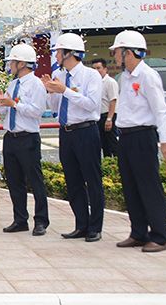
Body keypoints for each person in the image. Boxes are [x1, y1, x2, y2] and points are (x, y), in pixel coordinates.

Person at [109, 30, 166, 253]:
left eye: (117, 51)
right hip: (127, 137)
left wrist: (165, 141)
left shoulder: (148, 76)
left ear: (128, 52)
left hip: (143, 136)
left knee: (149, 187)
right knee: (130, 187)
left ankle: (159, 237)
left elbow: (161, 110)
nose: (115, 56)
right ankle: (138, 232)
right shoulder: (127, 77)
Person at [40, 33, 104, 242]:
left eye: (58, 52)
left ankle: (95, 226)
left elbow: (92, 104)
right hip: (66, 132)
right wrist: (52, 91)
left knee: (92, 179)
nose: (56, 56)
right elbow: (56, 108)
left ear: (69, 53)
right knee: (73, 180)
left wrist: (65, 90)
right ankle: (81, 224)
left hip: (86, 130)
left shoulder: (90, 75)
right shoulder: (61, 76)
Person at [0, 43, 50, 236]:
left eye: (13, 62)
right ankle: (20, 219)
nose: (10, 66)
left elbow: (37, 111)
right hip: (11, 137)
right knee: (14, 180)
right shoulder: (12, 84)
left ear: (23, 63)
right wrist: (0, 102)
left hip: (28, 137)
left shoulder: (36, 85)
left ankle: (41, 220)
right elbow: (4, 110)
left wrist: (14, 104)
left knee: (34, 180)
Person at [91, 58, 120, 158]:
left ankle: (117, 164)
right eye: (94, 68)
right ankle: (108, 163)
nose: (96, 71)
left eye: (98, 68)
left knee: (112, 142)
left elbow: (113, 101)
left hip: (108, 115)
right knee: (103, 144)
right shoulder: (94, 83)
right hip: (98, 117)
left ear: (105, 69)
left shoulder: (110, 82)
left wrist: (109, 119)